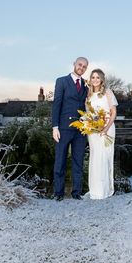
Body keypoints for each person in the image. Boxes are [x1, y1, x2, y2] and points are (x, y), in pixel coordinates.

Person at [51, 57, 89, 201]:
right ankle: (58, 193)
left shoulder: (86, 86)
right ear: (74, 64)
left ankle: (76, 193)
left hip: (80, 130)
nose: (82, 68)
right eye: (80, 64)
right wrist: (55, 127)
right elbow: (57, 104)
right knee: (60, 160)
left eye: (85, 66)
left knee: (78, 161)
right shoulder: (61, 81)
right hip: (63, 128)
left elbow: (88, 106)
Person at [86, 68, 118, 200]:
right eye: (93, 77)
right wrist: (89, 124)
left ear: (102, 80)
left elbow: (113, 112)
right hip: (93, 130)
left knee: (105, 157)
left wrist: (105, 128)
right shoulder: (88, 95)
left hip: (107, 128)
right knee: (95, 157)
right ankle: (94, 190)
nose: (95, 80)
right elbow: (88, 113)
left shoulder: (108, 93)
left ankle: (105, 190)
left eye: (97, 77)